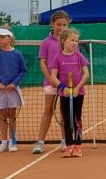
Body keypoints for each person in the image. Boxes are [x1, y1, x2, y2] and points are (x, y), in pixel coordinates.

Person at [48, 28, 90, 158]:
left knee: (77, 119)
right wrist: (63, 87)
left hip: (79, 93)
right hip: (64, 94)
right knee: (66, 120)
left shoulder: (79, 56)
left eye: (76, 41)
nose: (75, 43)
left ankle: (78, 146)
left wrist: (77, 88)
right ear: (63, 40)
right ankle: (69, 145)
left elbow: (86, 74)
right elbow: (53, 77)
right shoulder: (57, 58)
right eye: (72, 40)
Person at [0, 27, 27, 153]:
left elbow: (22, 71)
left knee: (12, 116)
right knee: (3, 117)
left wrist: (14, 83)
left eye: (2, 37)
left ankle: (13, 142)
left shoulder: (17, 54)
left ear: (10, 38)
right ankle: (3, 142)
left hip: (13, 91)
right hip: (0, 91)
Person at [34, 10, 70, 154]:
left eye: (64, 24)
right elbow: (43, 62)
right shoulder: (46, 42)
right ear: (52, 24)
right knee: (48, 110)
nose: (61, 27)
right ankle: (40, 142)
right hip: (50, 82)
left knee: (64, 112)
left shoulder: (71, 41)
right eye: (58, 24)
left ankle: (65, 140)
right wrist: (50, 79)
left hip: (66, 83)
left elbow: (73, 59)